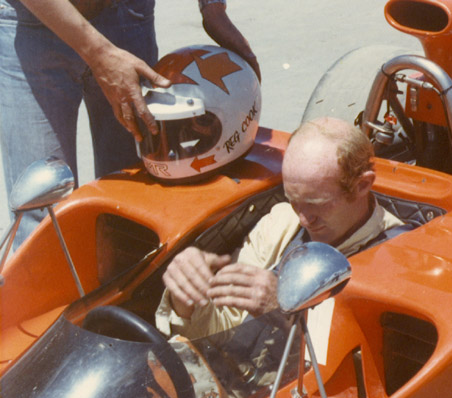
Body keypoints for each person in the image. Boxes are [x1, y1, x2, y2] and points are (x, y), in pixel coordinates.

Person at [0, 0, 260, 245]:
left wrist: (212, 8)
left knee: (138, 207)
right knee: (42, 212)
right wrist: (99, 53)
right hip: (32, 22)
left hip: (125, 15)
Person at [155, 116, 405, 340]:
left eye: (316, 204)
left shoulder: (395, 259)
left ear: (363, 185)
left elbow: (362, 361)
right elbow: (224, 330)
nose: (304, 220)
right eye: (294, 201)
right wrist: (187, 300)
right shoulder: (281, 223)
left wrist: (282, 309)